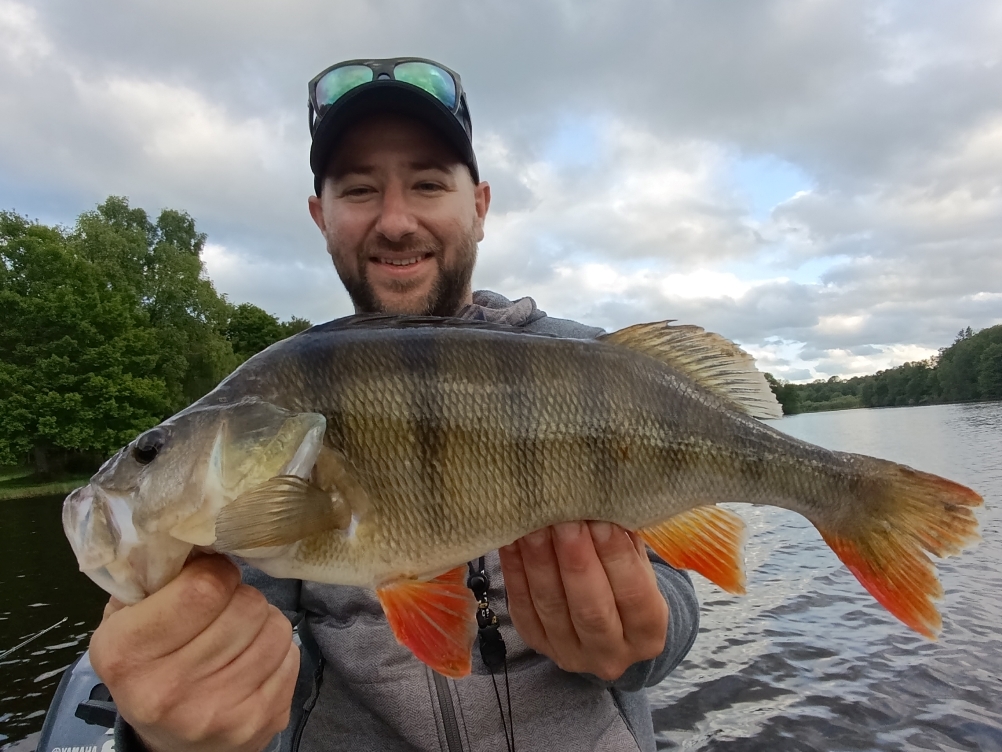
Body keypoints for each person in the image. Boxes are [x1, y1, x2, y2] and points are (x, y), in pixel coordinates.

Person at [90, 57, 701, 752]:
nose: (396, 219)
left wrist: (639, 644)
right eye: (358, 189)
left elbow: (675, 595)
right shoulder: (279, 404)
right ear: (322, 217)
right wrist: (168, 731)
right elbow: (238, 679)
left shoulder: (597, 363)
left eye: (429, 183)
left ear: (481, 204)